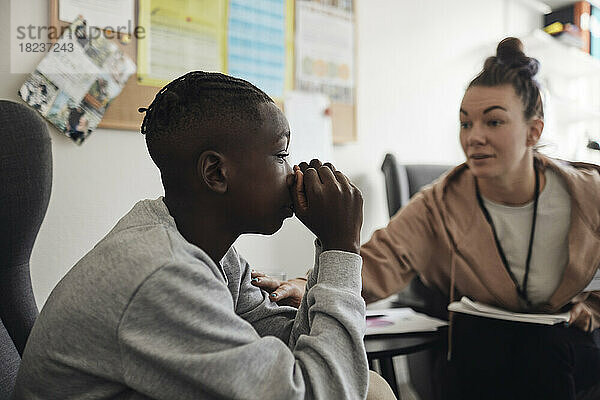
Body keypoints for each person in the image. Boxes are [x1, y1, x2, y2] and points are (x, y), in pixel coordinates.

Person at [252, 38, 600, 399]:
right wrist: (309, 285)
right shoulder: (441, 201)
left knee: (546, 353)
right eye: (465, 124)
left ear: (534, 131)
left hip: (566, 342)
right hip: (487, 346)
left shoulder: (586, 193)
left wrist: (590, 310)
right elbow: (381, 258)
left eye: (493, 121)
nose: (474, 137)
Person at [14, 71, 395, 399]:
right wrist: (341, 249)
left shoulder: (210, 254)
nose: (294, 173)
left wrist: (330, 250)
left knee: (371, 388)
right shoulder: (162, 274)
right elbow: (324, 392)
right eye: (281, 155)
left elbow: (291, 351)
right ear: (216, 172)